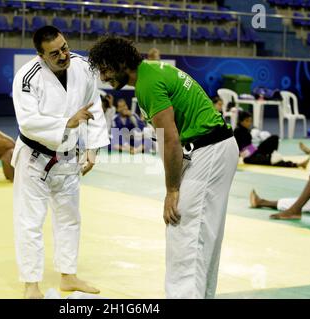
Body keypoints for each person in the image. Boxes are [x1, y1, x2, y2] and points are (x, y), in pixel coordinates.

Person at [88, 37, 239, 299]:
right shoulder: (153, 72)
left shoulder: (148, 84)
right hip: (212, 149)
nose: (103, 77)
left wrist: (172, 190)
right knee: (201, 236)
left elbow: (170, 139)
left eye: (105, 69)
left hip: (208, 150)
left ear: (122, 62)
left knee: (185, 232)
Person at [12, 26, 109, 299]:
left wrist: (93, 147)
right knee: (30, 222)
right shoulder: (27, 78)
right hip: (34, 159)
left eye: (65, 47)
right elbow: (28, 122)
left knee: (69, 220)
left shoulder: (82, 67)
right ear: (40, 55)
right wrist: (67, 121)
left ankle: (68, 276)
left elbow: (94, 106)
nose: (64, 54)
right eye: (55, 53)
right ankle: (31, 284)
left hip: (68, 158)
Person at [250, 132, 310, 220]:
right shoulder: (242, 133)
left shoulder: (243, 134)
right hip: (253, 156)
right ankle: (263, 202)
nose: (249, 123)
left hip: (255, 156)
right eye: (248, 121)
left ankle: (295, 209)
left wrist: (250, 152)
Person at [234, 111, 309, 168]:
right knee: (273, 160)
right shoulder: (237, 132)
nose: (249, 123)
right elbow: (240, 151)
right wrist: (253, 150)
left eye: (250, 121)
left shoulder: (246, 131)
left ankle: (272, 155)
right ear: (241, 121)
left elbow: (250, 146)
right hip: (248, 158)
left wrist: (255, 149)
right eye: (247, 121)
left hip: (253, 152)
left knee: (274, 138)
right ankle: (297, 164)